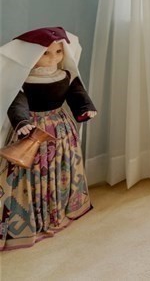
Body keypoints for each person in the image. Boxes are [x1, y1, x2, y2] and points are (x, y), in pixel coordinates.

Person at [0, 27, 96, 251]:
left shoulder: (66, 76)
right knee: (31, 172)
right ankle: (33, 215)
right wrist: (22, 123)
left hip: (61, 131)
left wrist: (86, 108)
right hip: (34, 131)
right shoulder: (23, 81)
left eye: (59, 52)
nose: (53, 57)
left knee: (62, 166)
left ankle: (60, 207)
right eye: (46, 53)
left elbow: (78, 95)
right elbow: (17, 104)